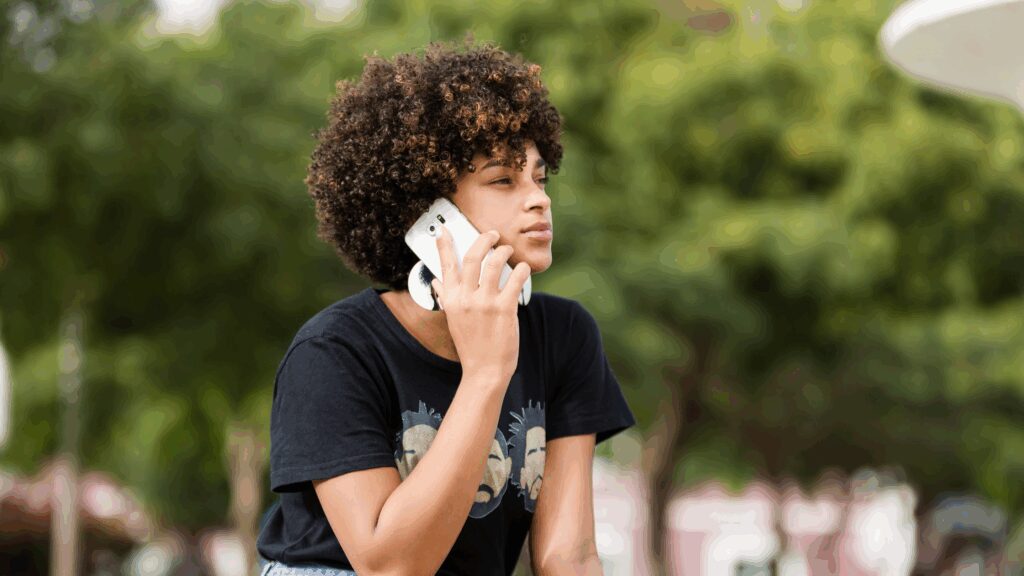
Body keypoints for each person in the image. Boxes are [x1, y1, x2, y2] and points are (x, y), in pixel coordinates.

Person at [255, 37, 637, 576]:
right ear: (427, 216)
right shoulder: (333, 353)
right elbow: (390, 566)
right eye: (503, 179)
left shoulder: (565, 335)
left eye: (539, 176)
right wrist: (486, 373)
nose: (539, 198)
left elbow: (567, 555)